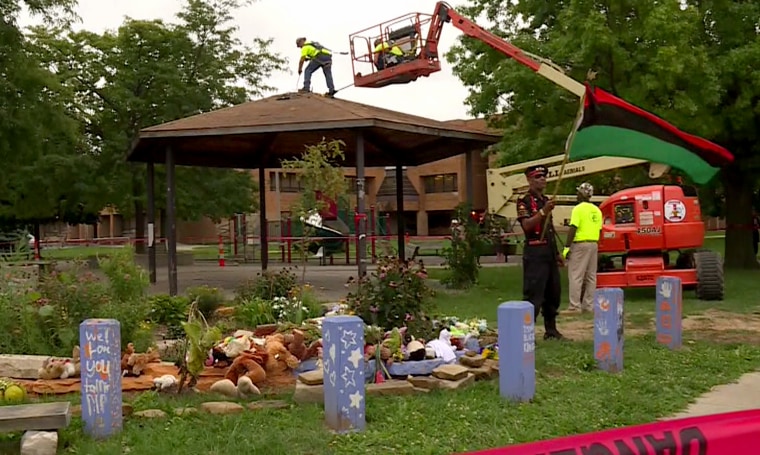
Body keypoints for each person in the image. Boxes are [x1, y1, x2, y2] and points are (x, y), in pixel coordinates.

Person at [516, 165, 565, 340]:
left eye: (544, 177)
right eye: (538, 177)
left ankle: (551, 331)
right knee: (534, 295)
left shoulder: (545, 199)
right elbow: (527, 225)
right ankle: (525, 333)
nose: (542, 179)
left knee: (553, 293)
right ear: (529, 180)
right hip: (535, 252)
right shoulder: (524, 201)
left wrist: (557, 253)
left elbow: (549, 229)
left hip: (548, 252)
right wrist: (544, 211)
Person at [563, 182, 603, 313]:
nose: (576, 195)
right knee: (591, 276)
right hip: (593, 243)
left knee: (576, 275)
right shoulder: (597, 210)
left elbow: (573, 227)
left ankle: (574, 306)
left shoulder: (578, 209)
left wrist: (567, 247)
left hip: (580, 244)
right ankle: (588, 305)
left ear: (581, 194)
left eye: (578, 192)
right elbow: (600, 230)